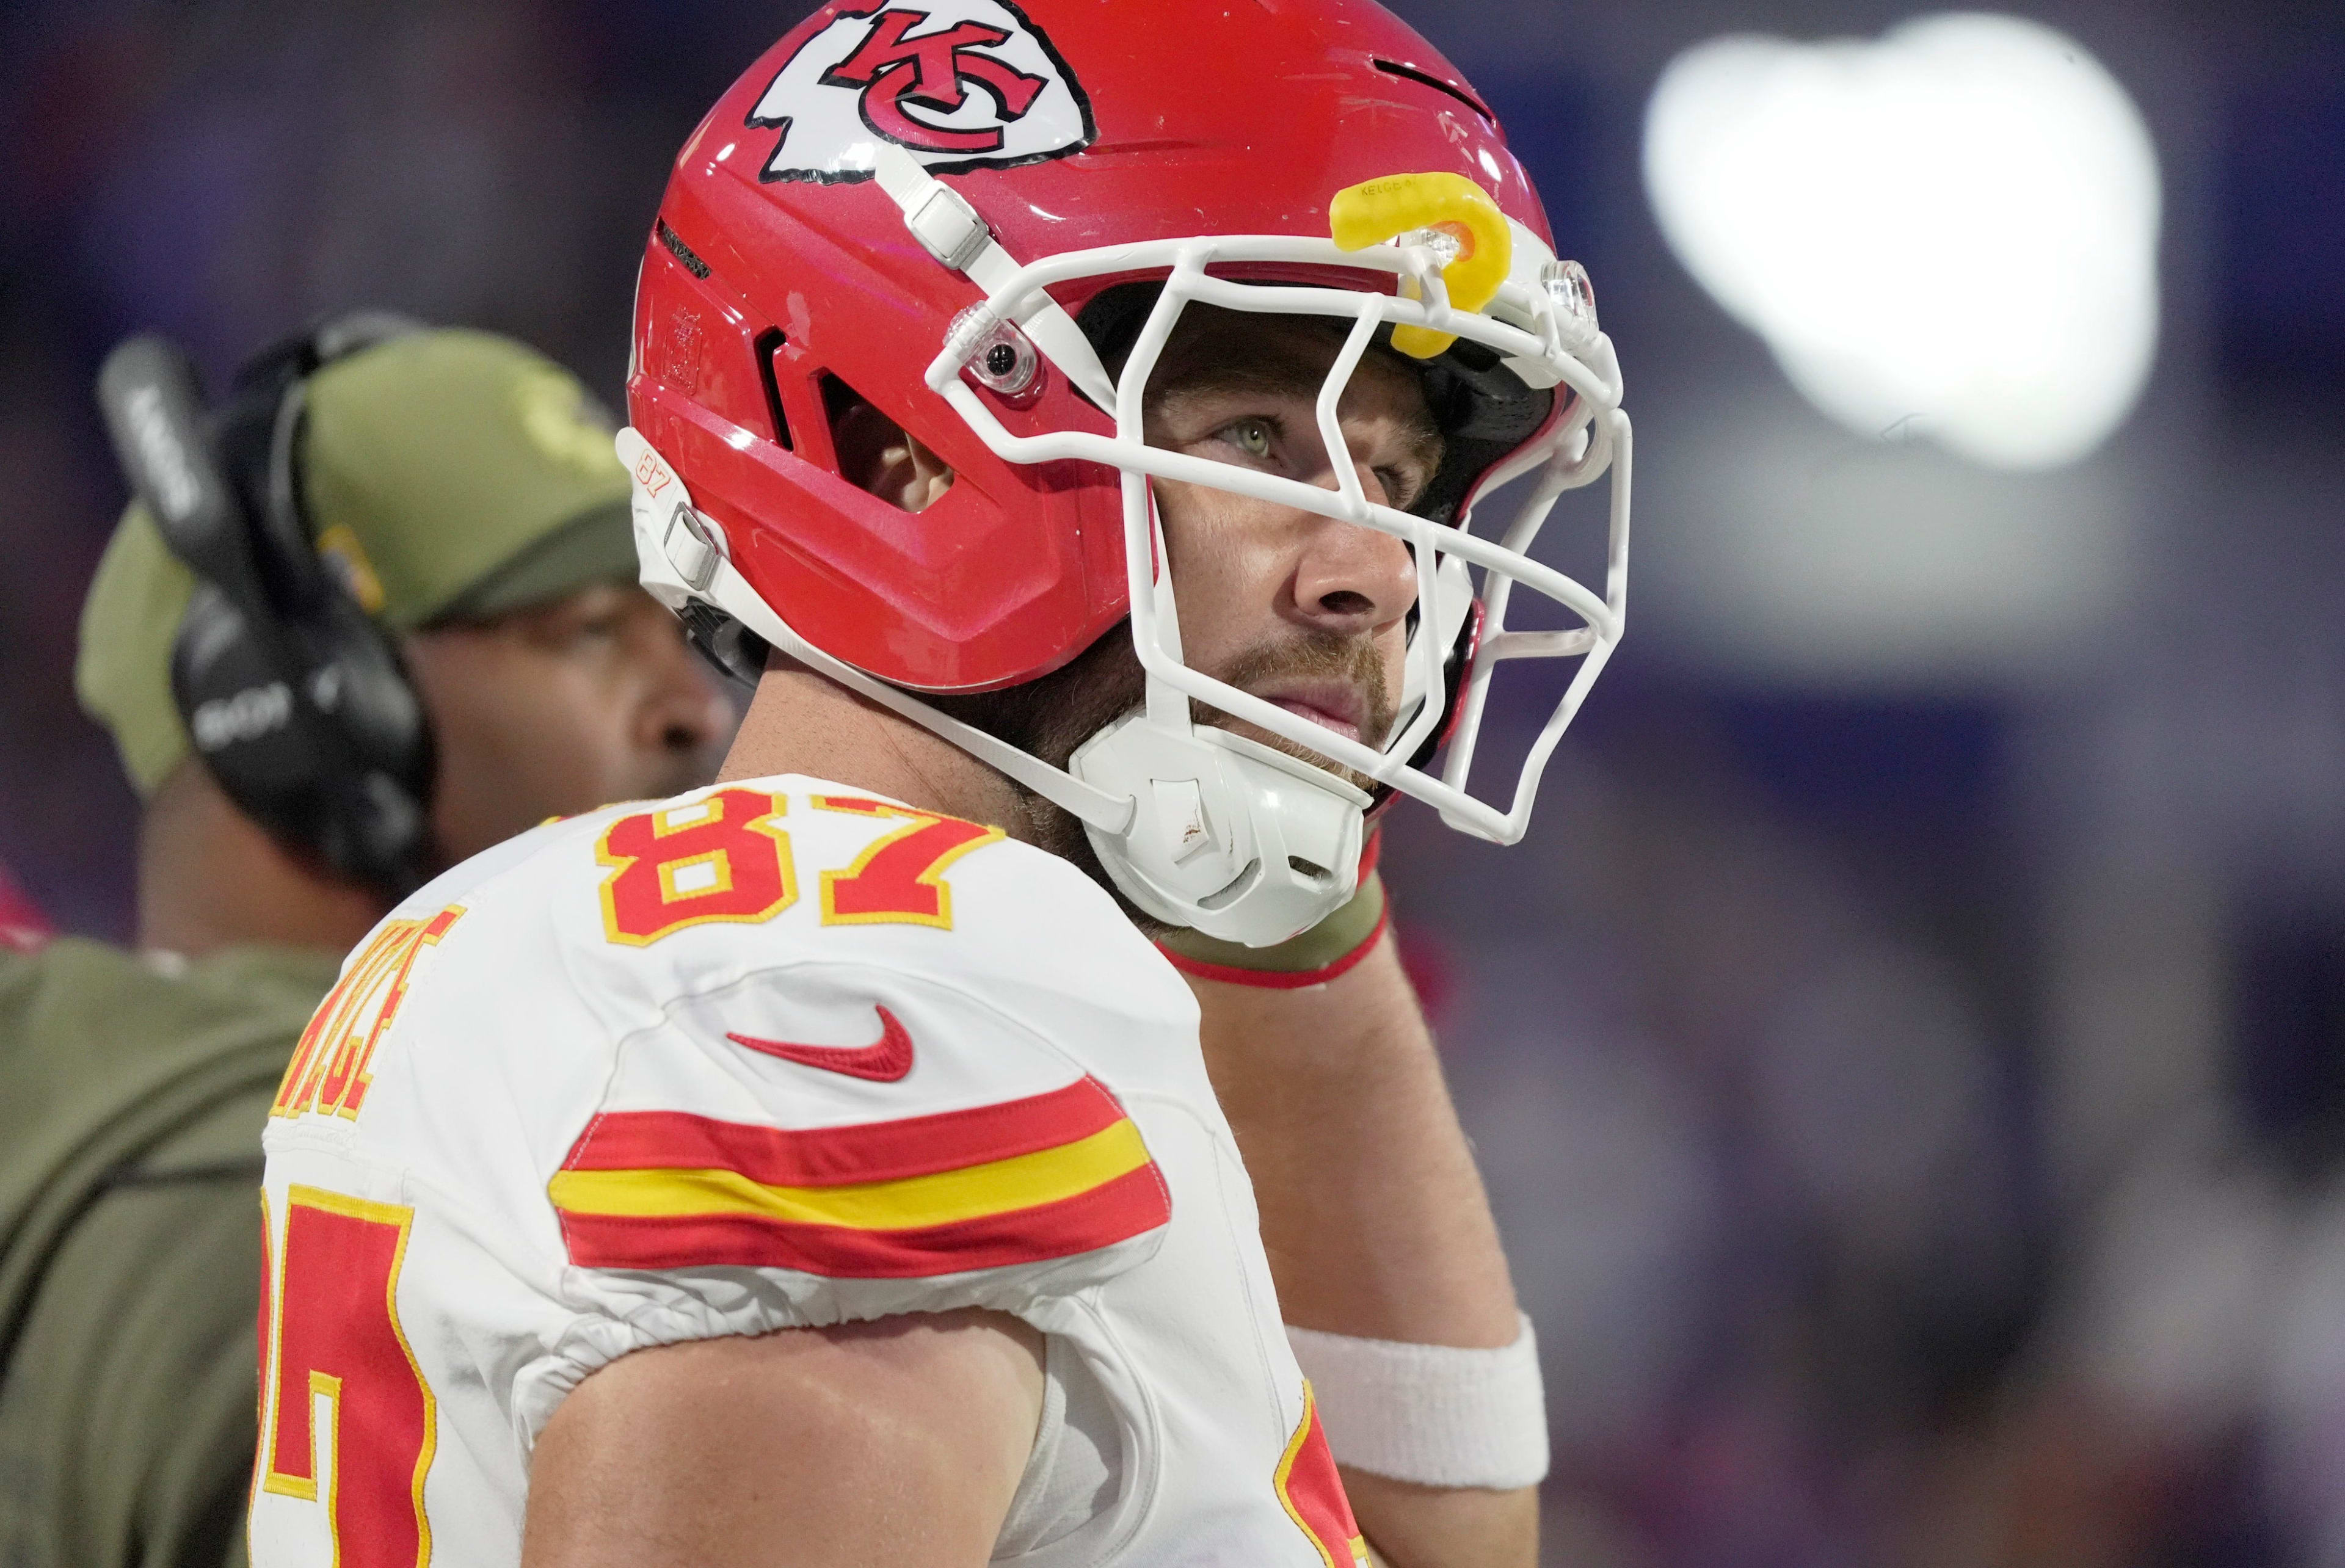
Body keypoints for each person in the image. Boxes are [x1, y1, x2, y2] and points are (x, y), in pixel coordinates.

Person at [250, 2, 1631, 1564]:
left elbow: (1435, 1524)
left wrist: (1297, 900)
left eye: (1390, 478)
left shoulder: (542, 925)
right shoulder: (874, 1010)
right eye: (1256, 436)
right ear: (891, 444)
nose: (1380, 570)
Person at [0, 323, 736, 1567]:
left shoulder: (105, 1101)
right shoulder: (310, 1230)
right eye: (591, 632)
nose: (697, 707)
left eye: (695, 632)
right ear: (296, 706)